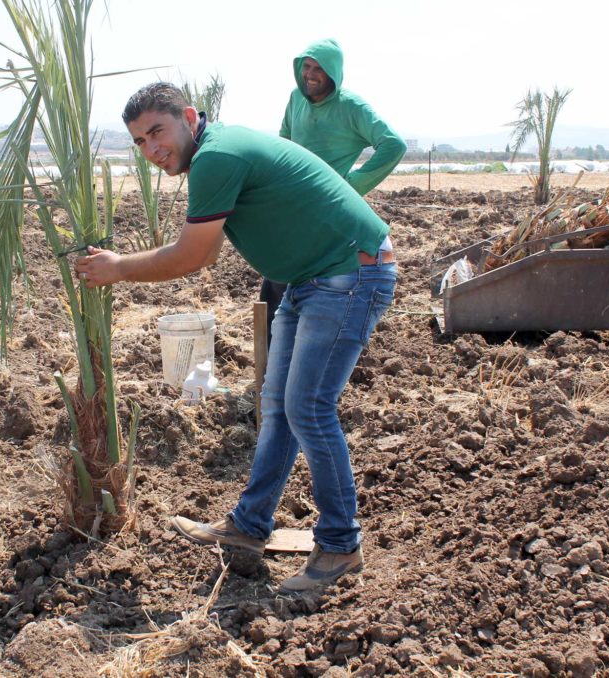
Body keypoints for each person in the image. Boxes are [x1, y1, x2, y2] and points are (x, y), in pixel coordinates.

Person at [74, 83, 397, 593]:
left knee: (308, 408)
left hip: (348, 275)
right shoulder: (215, 148)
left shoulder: (216, 158)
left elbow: (194, 256)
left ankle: (340, 545)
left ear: (187, 116)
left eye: (157, 131)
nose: (152, 149)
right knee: (278, 404)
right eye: (139, 141)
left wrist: (116, 269)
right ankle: (250, 525)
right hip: (313, 279)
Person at [259, 38, 406, 345]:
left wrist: (352, 186)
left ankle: (311, 353)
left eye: (318, 70)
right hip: (291, 207)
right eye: (306, 67)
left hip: (326, 212)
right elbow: (283, 144)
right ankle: (273, 363)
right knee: (275, 282)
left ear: (334, 74)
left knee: (314, 282)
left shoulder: (351, 107)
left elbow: (393, 144)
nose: (310, 75)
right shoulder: (295, 99)